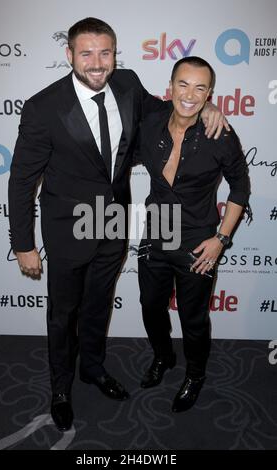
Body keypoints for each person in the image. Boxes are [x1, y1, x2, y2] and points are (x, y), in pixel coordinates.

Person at [8, 18, 227, 432]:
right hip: (68, 229)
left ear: (114, 54)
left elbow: (170, 109)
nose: (97, 63)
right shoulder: (43, 107)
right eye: (86, 53)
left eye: (105, 53)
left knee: (96, 308)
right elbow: (21, 179)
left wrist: (207, 105)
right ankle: (60, 389)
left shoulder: (127, 84)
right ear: (69, 54)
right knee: (62, 315)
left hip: (111, 224)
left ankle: (92, 368)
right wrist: (23, 242)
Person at [137, 56, 251, 412]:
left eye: (201, 88)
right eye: (183, 84)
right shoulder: (150, 120)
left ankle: (195, 374)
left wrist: (221, 239)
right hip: (156, 232)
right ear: (169, 87)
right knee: (150, 306)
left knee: (194, 317)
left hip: (197, 241)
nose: (190, 94)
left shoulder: (221, 135)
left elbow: (240, 190)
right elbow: (120, 83)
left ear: (210, 94)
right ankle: (163, 356)